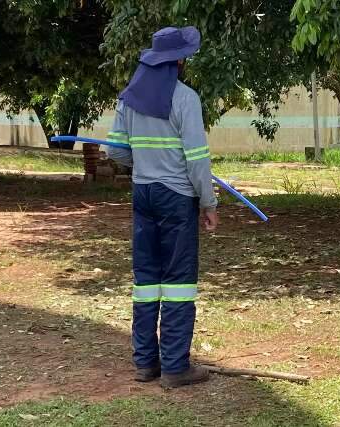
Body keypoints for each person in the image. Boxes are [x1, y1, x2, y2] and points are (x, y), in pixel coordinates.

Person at [106, 26, 218, 389]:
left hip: (143, 194)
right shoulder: (185, 98)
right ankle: (175, 368)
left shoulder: (128, 98)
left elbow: (115, 152)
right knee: (178, 283)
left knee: (146, 281)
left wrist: (144, 164)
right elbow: (197, 160)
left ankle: (146, 364)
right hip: (176, 198)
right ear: (178, 61)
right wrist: (208, 202)